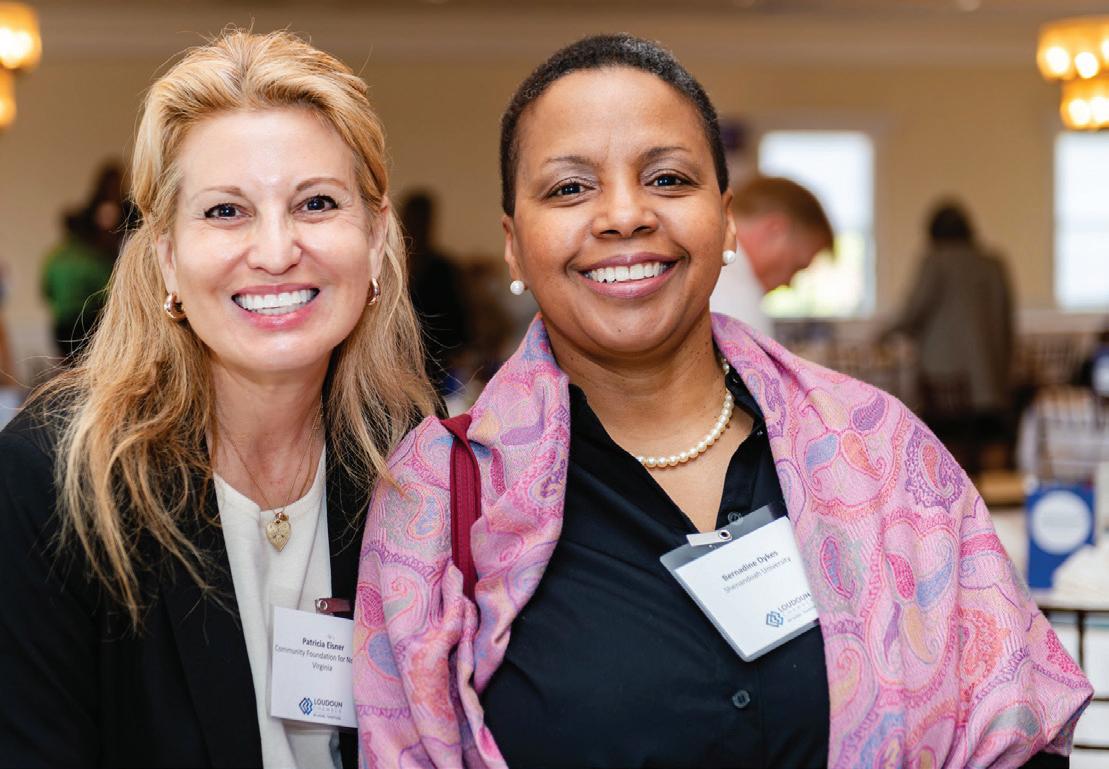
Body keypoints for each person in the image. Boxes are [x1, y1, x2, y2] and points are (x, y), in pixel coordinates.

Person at [352, 35, 1090, 769]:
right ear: (514, 243)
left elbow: (1013, 731)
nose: (624, 214)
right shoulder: (440, 495)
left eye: (668, 179)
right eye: (570, 188)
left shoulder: (880, 451)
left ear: (727, 219)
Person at [0, 30, 435, 767]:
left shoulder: (410, 456)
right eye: (226, 211)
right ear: (167, 257)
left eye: (316, 203)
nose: (275, 252)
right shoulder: (50, 480)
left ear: (375, 239)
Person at [881, 201, 1015, 471]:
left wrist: (882, 335)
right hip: (991, 387)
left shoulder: (936, 261)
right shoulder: (993, 264)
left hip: (944, 388)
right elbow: (1007, 320)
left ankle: (945, 483)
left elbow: (914, 312)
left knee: (938, 440)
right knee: (985, 444)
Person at [709, 175, 834, 336]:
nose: (789, 284)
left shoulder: (705, 266)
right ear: (775, 230)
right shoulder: (736, 296)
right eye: (795, 267)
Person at [40, 162, 131, 360]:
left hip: (60, 326)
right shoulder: (92, 259)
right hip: (89, 323)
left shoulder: (53, 258)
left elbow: (45, 292)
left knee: (70, 370)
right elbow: (107, 292)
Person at [401, 190, 471, 397]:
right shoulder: (389, 267)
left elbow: (457, 319)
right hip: (403, 360)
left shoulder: (443, 269)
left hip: (436, 362)